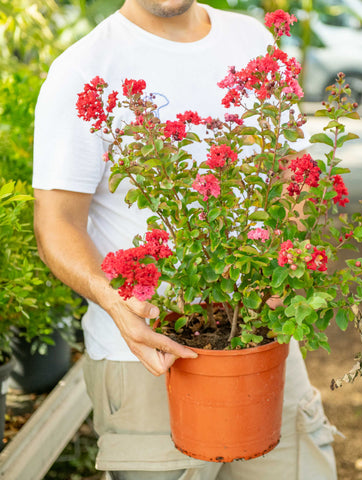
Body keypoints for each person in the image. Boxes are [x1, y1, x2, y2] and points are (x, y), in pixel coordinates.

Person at [32, 1, 338, 478]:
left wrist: (289, 266)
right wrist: (116, 302)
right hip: (147, 355)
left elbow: (288, 172)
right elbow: (57, 225)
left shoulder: (252, 38)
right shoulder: (82, 68)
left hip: (261, 340)